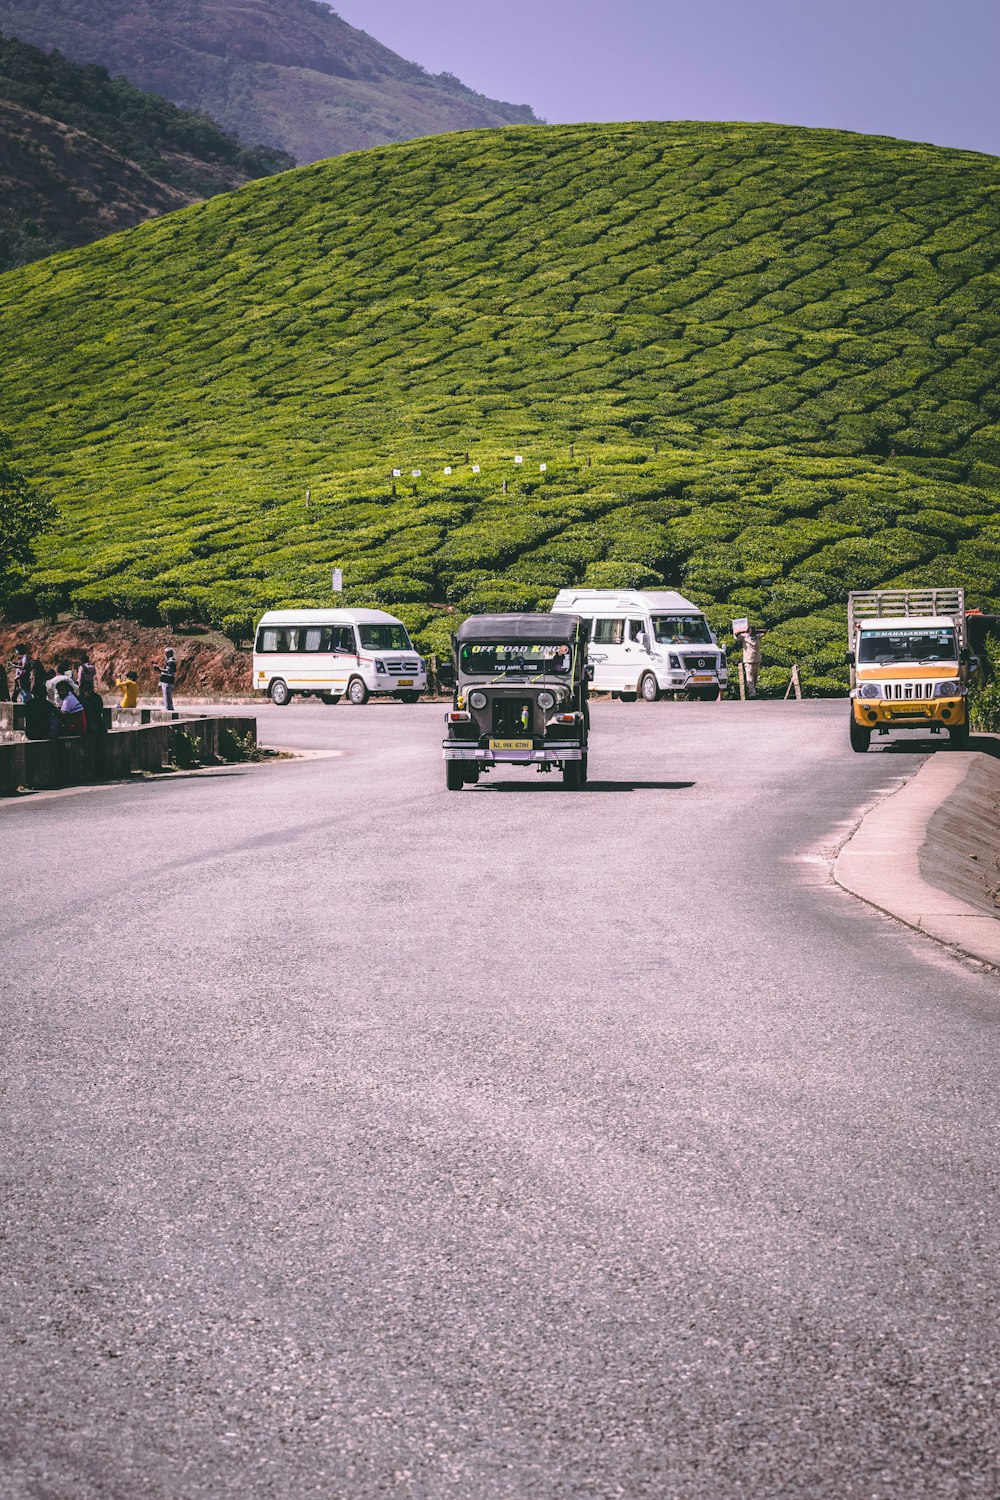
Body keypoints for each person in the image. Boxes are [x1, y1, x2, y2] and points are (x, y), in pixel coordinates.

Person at [738, 627, 764, 699]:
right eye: (750, 632)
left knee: (755, 678)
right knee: (749, 678)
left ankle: (752, 691)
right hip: (748, 661)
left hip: (756, 660)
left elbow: (765, 631)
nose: (751, 633)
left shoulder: (758, 637)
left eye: (753, 632)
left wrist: (757, 630)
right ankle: (752, 694)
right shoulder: (744, 638)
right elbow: (736, 634)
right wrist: (743, 630)